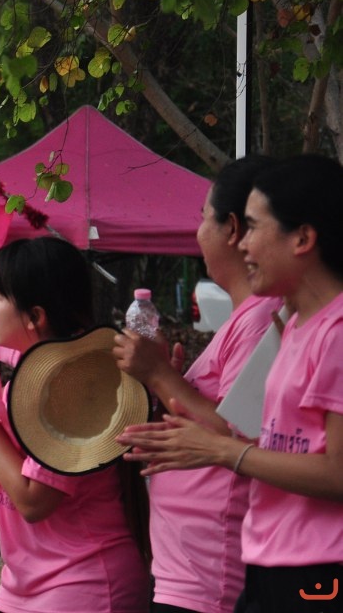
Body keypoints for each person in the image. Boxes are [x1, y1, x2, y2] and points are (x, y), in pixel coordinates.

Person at [119, 154, 343, 613]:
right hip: (269, 560)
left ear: (303, 238)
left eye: (255, 227)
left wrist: (223, 450)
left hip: (317, 567)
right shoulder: (296, 325)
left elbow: (337, 471)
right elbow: (276, 440)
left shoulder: (335, 331)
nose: (244, 244)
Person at [0, 237, 149, 612]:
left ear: (35, 316)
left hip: (83, 583)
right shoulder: (31, 375)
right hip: (29, 583)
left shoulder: (77, 384)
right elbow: (17, 481)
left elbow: (34, 502)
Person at [113, 155, 280, 613]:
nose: (198, 232)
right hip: (190, 567)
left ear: (233, 229)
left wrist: (161, 375)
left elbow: (241, 437)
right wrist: (165, 383)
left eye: (203, 217)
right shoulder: (244, 319)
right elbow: (217, 419)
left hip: (210, 574)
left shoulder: (262, 318)